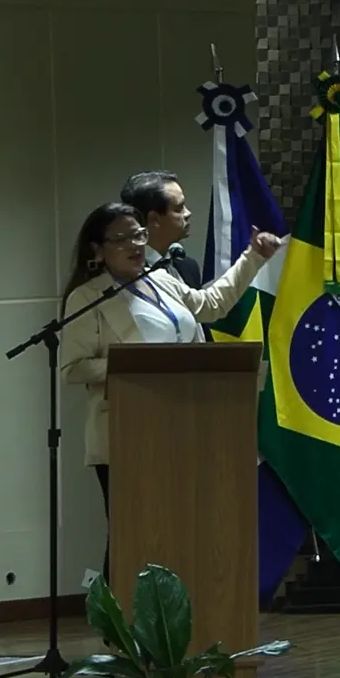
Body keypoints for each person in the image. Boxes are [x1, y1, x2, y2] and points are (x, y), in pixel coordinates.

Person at [58, 201, 283, 579]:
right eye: (122, 239)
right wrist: (141, 364)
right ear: (97, 249)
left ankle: (185, 623)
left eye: (140, 236)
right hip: (127, 435)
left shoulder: (160, 277)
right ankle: (123, 630)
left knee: (186, 531)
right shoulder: (88, 298)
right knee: (134, 536)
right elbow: (73, 368)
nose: (136, 245)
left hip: (189, 425)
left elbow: (210, 305)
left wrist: (253, 257)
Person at [119, 170, 203, 288]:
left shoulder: (188, 266)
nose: (188, 213)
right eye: (178, 209)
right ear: (154, 219)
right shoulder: (127, 274)